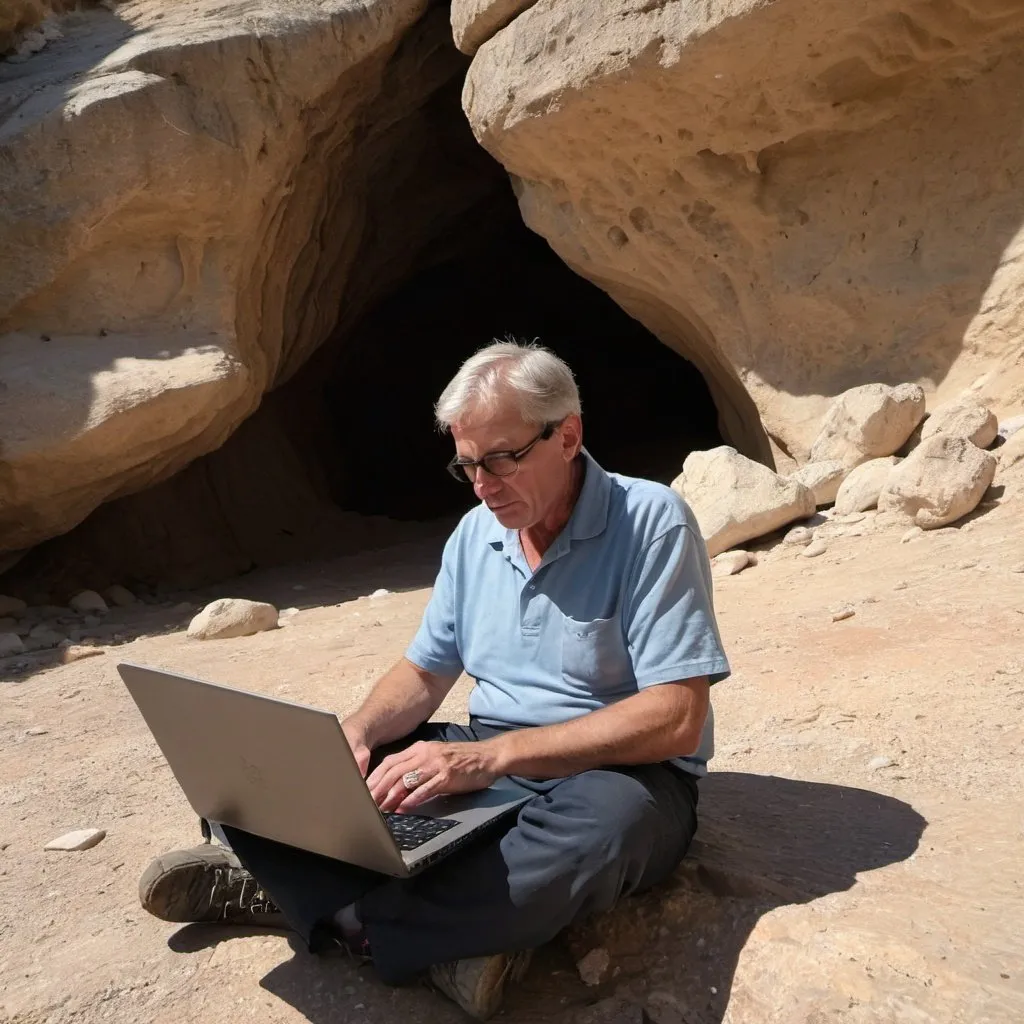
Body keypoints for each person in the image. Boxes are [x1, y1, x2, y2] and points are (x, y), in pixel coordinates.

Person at [138, 341, 730, 1019]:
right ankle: (452, 938)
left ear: (567, 435)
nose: (483, 485)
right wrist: (355, 735)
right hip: (484, 754)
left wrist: (488, 756)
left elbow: (674, 717)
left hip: (617, 773)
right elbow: (424, 670)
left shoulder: (650, 521)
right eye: (469, 464)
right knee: (261, 781)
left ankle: (313, 904)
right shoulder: (476, 535)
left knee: (604, 834)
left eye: (502, 459)